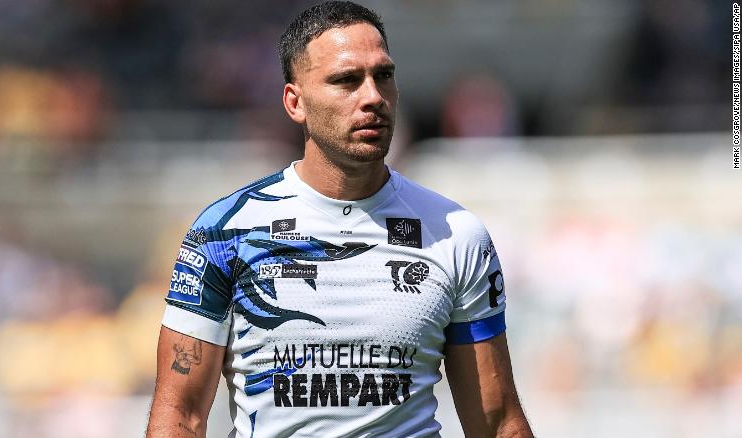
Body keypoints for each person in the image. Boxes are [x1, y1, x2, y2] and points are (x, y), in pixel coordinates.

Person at [146, 2, 533, 437]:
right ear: (295, 102)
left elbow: (498, 423)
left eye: (383, 76)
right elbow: (179, 415)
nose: (373, 97)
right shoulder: (225, 232)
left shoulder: (456, 233)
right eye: (346, 80)